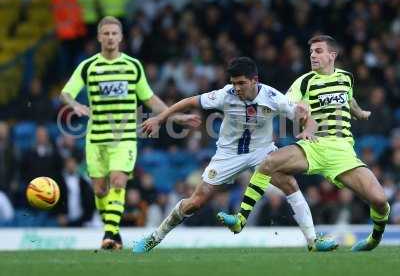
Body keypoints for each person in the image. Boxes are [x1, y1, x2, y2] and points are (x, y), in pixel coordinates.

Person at [132, 57, 338, 253]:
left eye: (241, 83)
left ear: (254, 81)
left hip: (261, 151)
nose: (236, 88)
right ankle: (155, 237)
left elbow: (304, 116)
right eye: (233, 83)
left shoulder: (273, 98)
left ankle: (312, 241)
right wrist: (161, 118)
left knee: (290, 185)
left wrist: (307, 125)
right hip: (228, 154)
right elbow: (189, 101)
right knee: (195, 202)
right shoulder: (226, 94)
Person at [219, 35, 390, 252]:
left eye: (318, 51)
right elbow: (288, 103)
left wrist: (359, 112)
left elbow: (348, 98)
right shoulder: (304, 81)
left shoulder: (346, 78)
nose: (313, 56)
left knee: (380, 200)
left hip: (342, 152)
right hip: (313, 145)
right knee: (269, 162)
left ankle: (374, 239)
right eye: (311, 52)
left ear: (332, 55)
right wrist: (299, 111)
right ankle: (241, 218)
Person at [60, 16, 199, 250]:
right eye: (106, 33)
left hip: (123, 137)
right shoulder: (88, 66)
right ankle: (114, 233)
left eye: (114, 33)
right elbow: (66, 92)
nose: (110, 37)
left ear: (121, 37)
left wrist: (175, 116)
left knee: (117, 181)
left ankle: (109, 234)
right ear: (99, 37)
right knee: (100, 189)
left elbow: (150, 98)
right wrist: (74, 104)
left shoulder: (132, 66)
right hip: (96, 139)